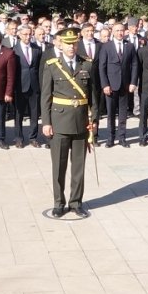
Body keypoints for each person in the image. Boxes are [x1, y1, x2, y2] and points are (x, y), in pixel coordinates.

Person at [41, 28, 98, 218]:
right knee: (59, 165)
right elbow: (45, 97)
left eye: (74, 43)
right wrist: (46, 122)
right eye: (67, 43)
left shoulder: (87, 65)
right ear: (60, 44)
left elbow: (93, 97)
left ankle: (76, 202)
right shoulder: (52, 66)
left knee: (78, 167)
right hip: (59, 121)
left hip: (81, 121)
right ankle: (59, 202)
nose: (71, 47)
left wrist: (94, 120)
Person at [98, 22, 138, 147]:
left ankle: (122, 138)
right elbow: (102, 66)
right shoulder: (106, 46)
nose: (120, 33)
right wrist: (105, 84)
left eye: (122, 30)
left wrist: (133, 82)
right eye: (117, 30)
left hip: (125, 85)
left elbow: (135, 65)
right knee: (110, 113)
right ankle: (110, 138)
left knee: (123, 114)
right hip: (111, 85)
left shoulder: (129, 46)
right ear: (112, 32)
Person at [13, 24, 43, 148]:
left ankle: (33, 137)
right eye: (25, 34)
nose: (27, 36)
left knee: (34, 113)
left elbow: (39, 68)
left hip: (34, 85)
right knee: (19, 113)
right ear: (19, 35)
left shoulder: (37, 49)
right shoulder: (13, 50)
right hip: (20, 85)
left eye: (29, 34)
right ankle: (19, 138)